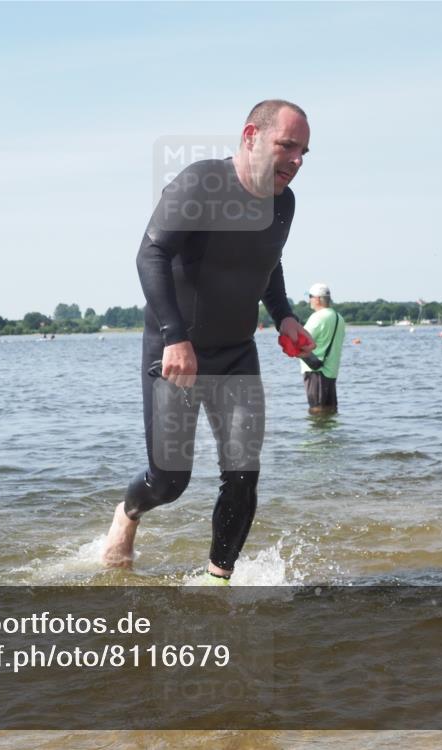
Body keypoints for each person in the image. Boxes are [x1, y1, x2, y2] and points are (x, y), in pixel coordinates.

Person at [101, 99, 314, 583]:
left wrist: (283, 316)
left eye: (303, 151)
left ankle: (218, 582)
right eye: (287, 146)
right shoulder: (202, 183)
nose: (296, 160)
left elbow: (269, 263)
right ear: (251, 136)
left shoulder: (284, 203)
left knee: (243, 474)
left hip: (237, 353)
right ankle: (127, 515)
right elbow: (151, 254)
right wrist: (175, 338)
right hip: (175, 352)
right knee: (169, 481)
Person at [300, 283, 346, 414]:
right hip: (332, 372)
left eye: (310, 296)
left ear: (318, 299)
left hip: (316, 371)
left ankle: (317, 435)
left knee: (316, 411)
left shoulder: (318, 317)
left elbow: (301, 341)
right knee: (331, 412)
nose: (309, 300)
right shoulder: (339, 318)